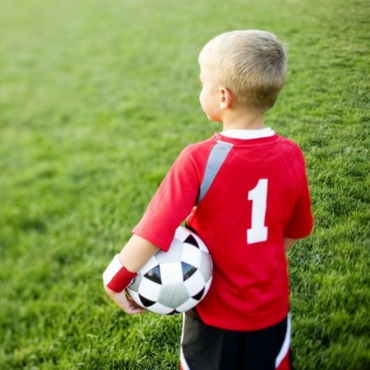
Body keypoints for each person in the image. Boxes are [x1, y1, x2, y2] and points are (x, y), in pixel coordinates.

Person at [103, 30, 314, 370]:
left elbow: (155, 230)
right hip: (271, 309)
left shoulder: (199, 159)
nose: (199, 90)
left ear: (222, 97)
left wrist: (115, 278)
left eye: (202, 84)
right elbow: (294, 230)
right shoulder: (292, 155)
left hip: (213, 314)